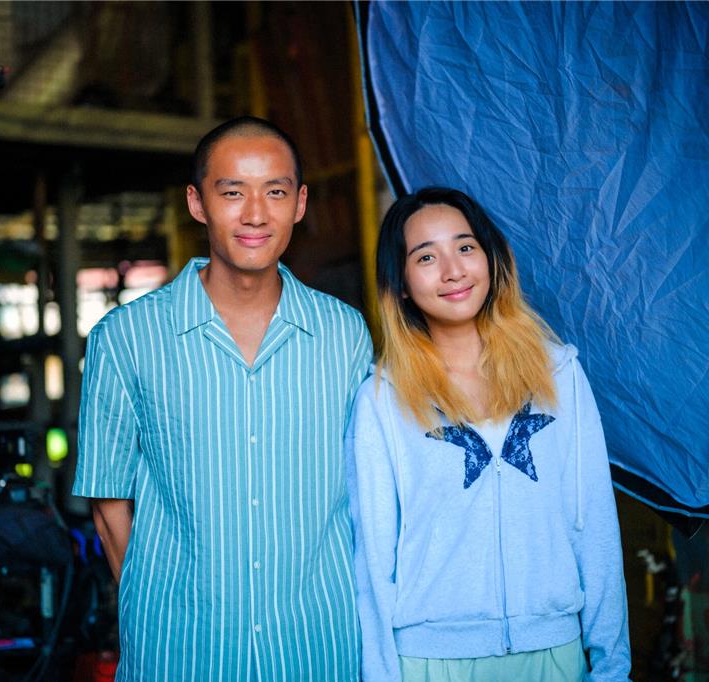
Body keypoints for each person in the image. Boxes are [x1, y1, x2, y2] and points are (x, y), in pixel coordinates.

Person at [73, 117, 373, 680]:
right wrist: (161, 610)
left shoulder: (345, 334)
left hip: (316, 646)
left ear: (300, 204)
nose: (255, 214)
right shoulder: (126, 338)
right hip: (181, 654)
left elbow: (369, 491)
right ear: (197, 203)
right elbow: (109, 503)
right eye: (233, 192)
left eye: (275, 192)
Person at [346, 187, 630, 681]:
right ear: (402, 284)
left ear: (492, 259)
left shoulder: (559, 375)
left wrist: (612, 667)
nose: (453, 270)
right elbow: (372, 560)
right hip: (432, 662)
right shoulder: (381, 401)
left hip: (552, 652)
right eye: (426, 257)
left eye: (465, 247)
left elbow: (595, 526)